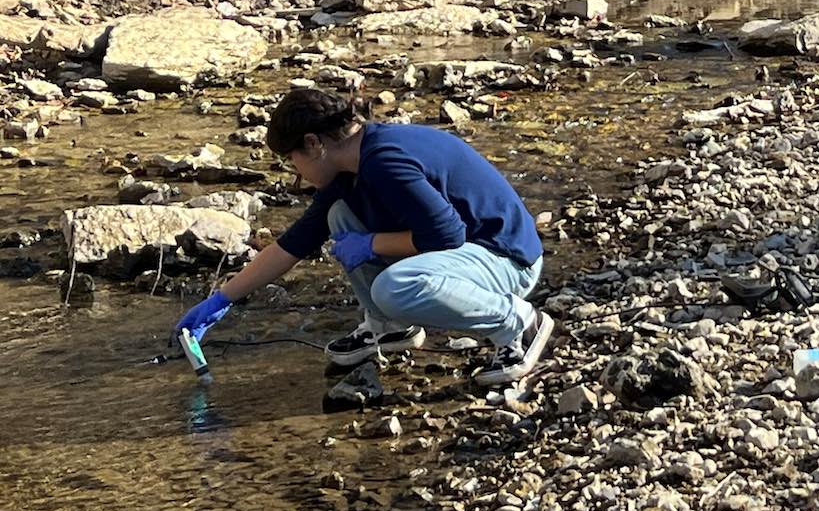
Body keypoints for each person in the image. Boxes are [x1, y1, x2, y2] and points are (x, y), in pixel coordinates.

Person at [174, 88, 552, 387]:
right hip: (469, 254)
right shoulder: (349, 170)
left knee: (396, 286)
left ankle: (518, 322)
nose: (296, 175)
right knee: (341, 217)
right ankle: (389, 327)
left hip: (507, 260)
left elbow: (445, 234)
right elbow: (292, 245)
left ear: (312, 143)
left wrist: (371, 245)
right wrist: (221, 299)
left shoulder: (385, 161)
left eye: (292, 161)